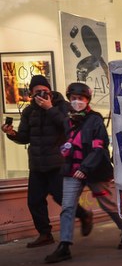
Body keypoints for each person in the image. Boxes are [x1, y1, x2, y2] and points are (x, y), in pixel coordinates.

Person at [43, 82, 122, 263]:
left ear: (87, 100)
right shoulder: (67, 120)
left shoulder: (95, 120)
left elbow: (99, 147)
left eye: (81, 99)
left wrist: (85, 168)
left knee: (108, 204)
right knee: (68, 207)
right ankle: (64, 246)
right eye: (74, 99)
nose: (77, 102)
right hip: (72, 169)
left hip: (94, 170)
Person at [1, 74, 93, 247]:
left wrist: (50, 108)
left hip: (58, 163)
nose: (42, 95)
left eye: (45, 91)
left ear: (50, 91)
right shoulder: (29, 111)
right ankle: (45, 234)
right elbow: (24, 137)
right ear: (31, 94)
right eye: (37, 93)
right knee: (34, 201)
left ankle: (84, 215)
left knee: (61, 198)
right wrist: (12, 133)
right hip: (37, 164)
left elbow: (68, 128)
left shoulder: (63, 107)